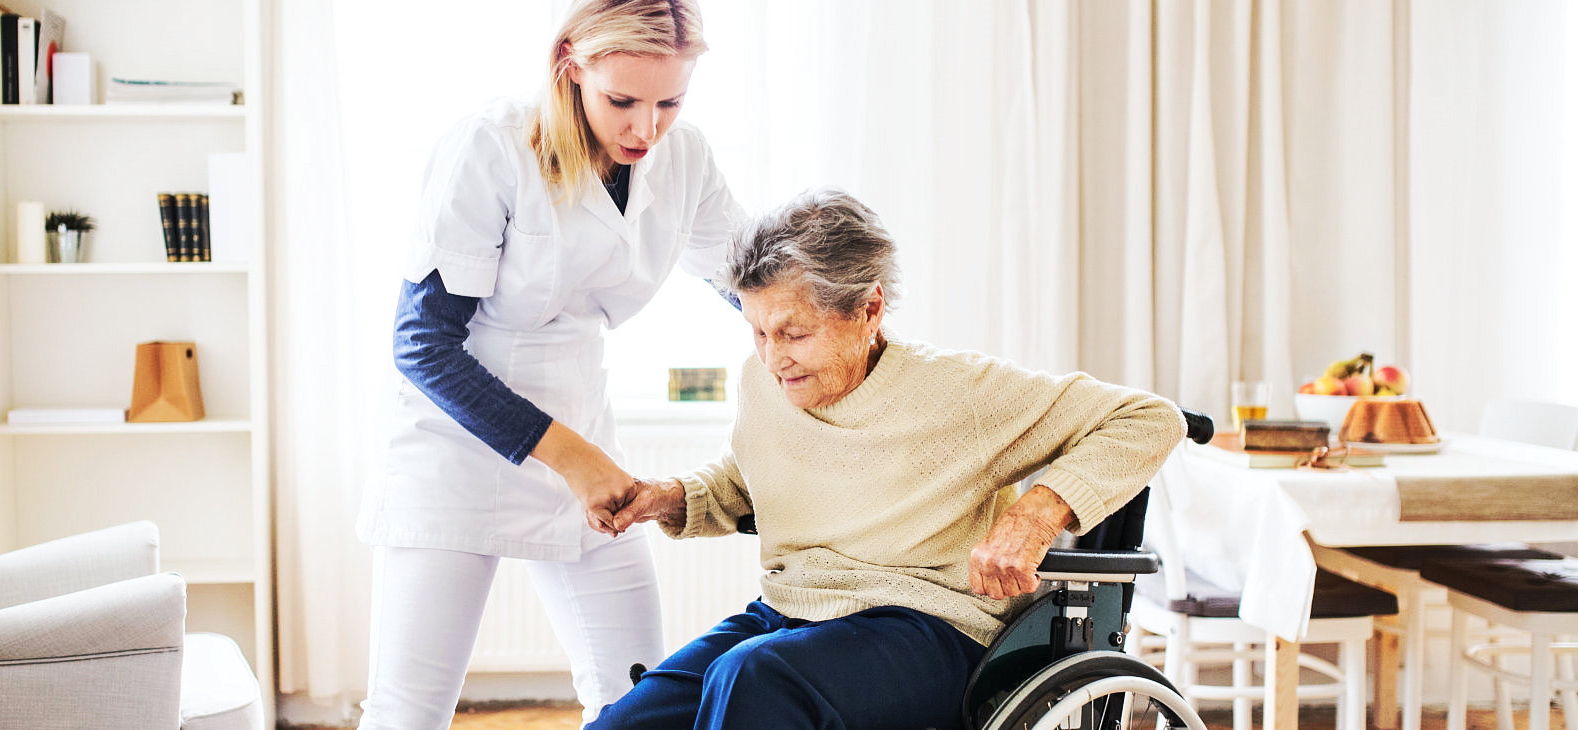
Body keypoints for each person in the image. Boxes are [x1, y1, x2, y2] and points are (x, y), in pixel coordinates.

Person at [587, 188, 1188, 730]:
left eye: (794, 334)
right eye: (759, 333)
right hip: (791, 613)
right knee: (627, 723)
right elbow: (750, 477)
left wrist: (1036, 513)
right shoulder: (765, 379)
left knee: (753, 679)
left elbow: (1151, 418)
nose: (773, 359)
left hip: (928, 624)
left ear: (868, 310)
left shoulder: (957, 393)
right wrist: (668, 496)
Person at [358, 1, 744, 727]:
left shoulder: (683, 156)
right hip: (456, 449)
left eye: (670, 101)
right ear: (571, 64)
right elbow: (422, 343)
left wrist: (846, 328)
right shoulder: (491, 147)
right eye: (622, 101)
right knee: (409, 713)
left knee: (639, 702)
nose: (646, 128)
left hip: (582, 429)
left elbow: (751, 279)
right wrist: (570, 457)